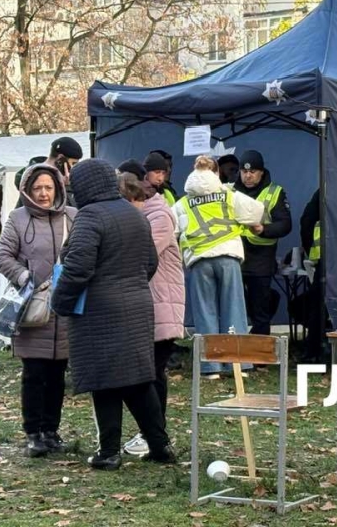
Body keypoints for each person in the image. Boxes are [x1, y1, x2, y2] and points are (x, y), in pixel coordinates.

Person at [51, 159, 175, 470]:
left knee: (103, 380)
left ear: (85, 185)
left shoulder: (90, 216)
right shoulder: (134, 214)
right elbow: (150, 263)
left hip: (99, 310)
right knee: (138, 380)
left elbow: (77, 266)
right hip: (137, 306)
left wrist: (60, 301)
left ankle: (108, 451)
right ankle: (160, 446)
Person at [0, 163, 75, 458]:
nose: (43, 194)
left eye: (48, 188)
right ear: (28, 190)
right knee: (34, 373)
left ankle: (52, 430)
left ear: (58, 189)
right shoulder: (17, 219)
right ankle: (33, 432)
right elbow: (1, 256)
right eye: (38, 188)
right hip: (32, 308)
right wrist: (23, 275)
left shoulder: (72, 217)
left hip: (63, 309)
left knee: (57, 375)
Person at [174, 156, 265, 378]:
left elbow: (171, 228)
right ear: (216, 173)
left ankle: (210, 366)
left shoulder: (183, 202)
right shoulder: (228, 195)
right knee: (234, 309)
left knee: (205, 312)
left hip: (199, 260)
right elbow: (255, 211)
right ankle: (237, 364)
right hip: (228, 256)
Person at [117, 173, 185, 457]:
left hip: (162, 305)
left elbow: (142, 255)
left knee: (152, 374)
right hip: (147, 305)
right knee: (150, 373)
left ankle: (154, 435)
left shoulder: (160, 216)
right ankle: (153, 434)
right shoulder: (144, 215)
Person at [233, 150, 292, 336]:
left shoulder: (274, 192)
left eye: (252, 172)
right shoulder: (230, 192)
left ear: (261, 172)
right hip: (235, 256)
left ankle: (259, 356)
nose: (248, 176)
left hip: (260, 259)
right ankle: (234, 353)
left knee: (260, 308)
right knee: (234, 306)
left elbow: (285, 224)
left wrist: (263, 230)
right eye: (244, 171)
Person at [300, 188, 329, 362]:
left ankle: (314, 352)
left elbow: (307, 221)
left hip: (327, 259)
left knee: (318, 306)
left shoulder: (325, 189)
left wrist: (309, 247)